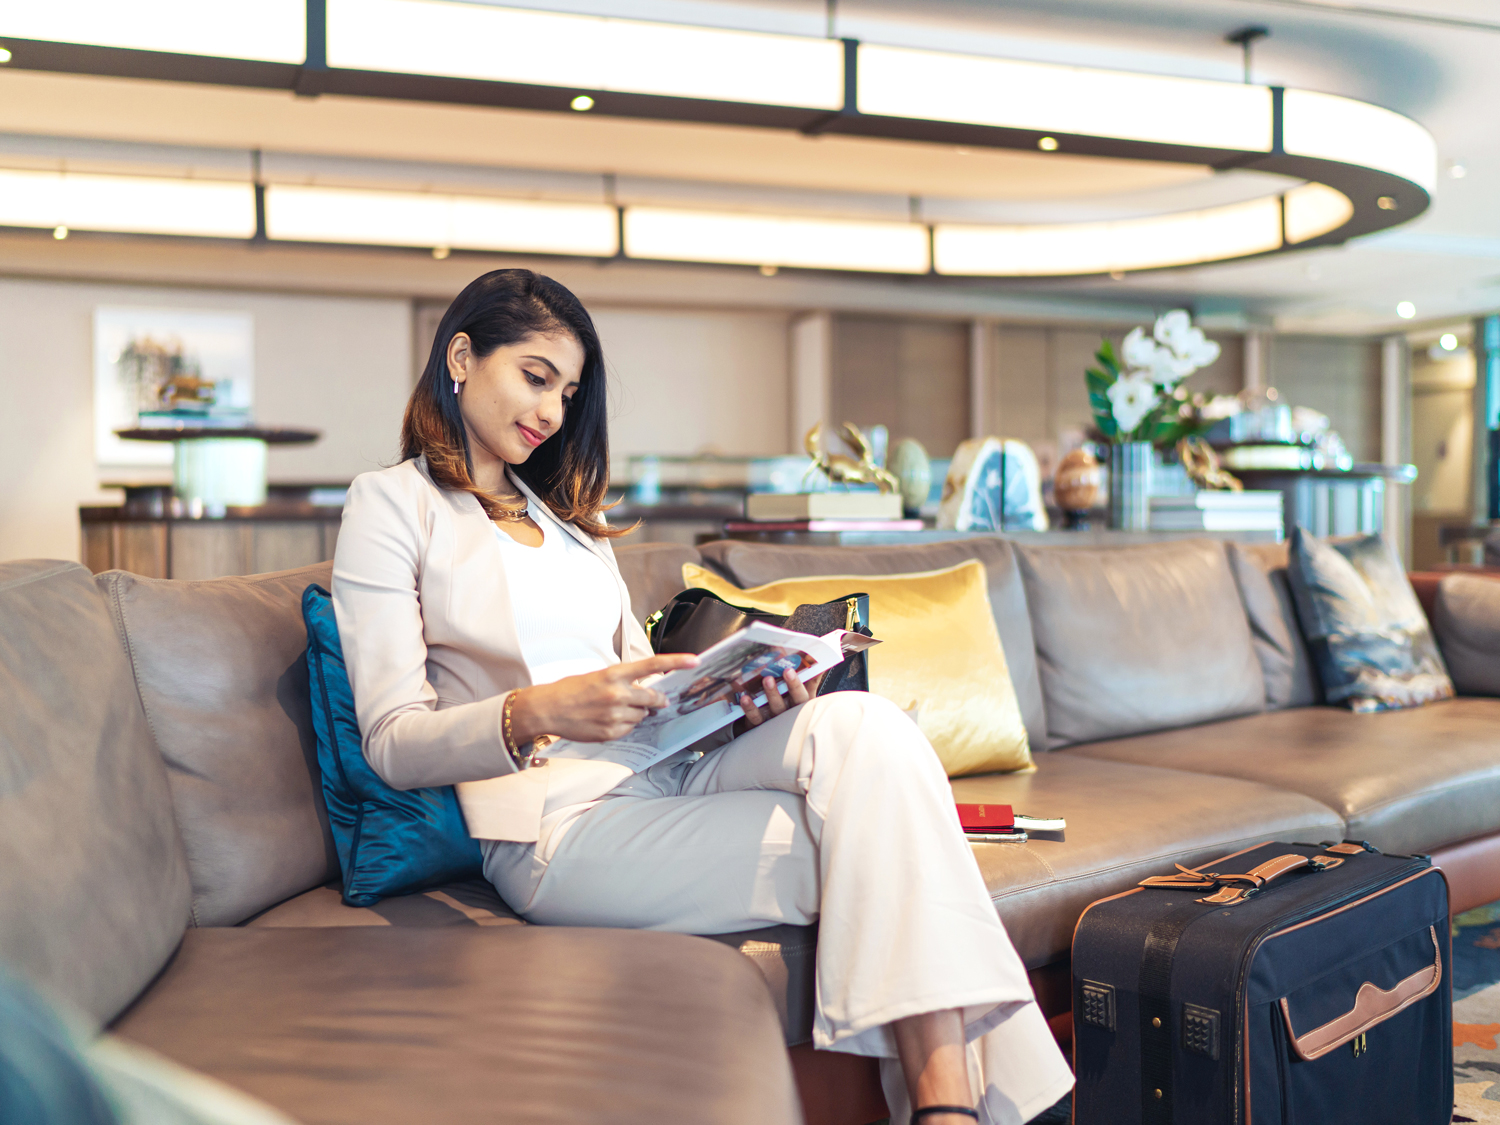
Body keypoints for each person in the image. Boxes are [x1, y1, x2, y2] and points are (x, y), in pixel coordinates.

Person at [332, 269, 1073, 1125]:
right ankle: (964, 1107)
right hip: (557, 827)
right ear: (461, 355)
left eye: (568, 393)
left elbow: (647, 678)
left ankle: (950, 1112)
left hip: (670, 769)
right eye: (536, 377)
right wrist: (541, 710)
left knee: (866, 728)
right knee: (900, 843)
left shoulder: (570, 524)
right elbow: (391, 738)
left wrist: (735, 699)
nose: (553, 411)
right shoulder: (391, 504)